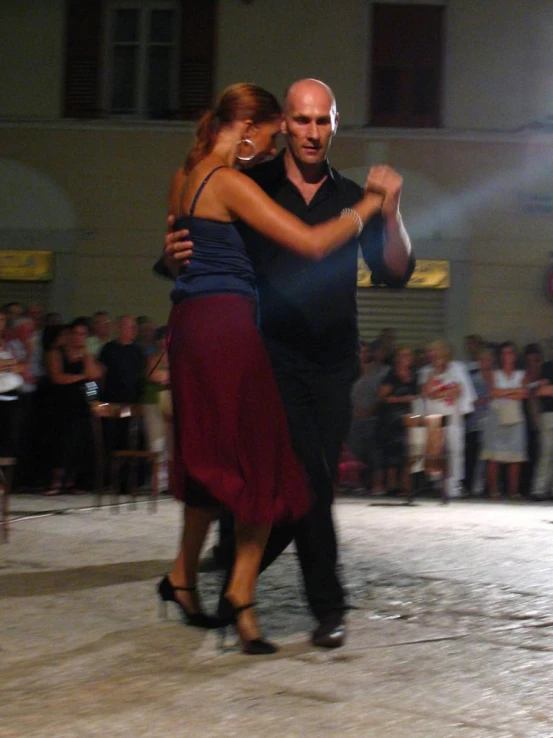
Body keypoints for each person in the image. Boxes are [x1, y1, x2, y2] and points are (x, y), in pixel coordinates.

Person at [160, 78, 414, 649]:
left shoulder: (348, 191)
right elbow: (192, 252)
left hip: (330, 359)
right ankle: (325, 605)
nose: (311, 132)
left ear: (335, 124)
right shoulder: (250, 182)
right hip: (264, 352)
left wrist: (389, 211)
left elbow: (395, 272)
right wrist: (175, 255)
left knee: (303, 477)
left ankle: (232, 578)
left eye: (322, 121)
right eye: (300, 120)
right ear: (284, 124)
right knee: (301, 478)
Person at [480, 341, 528, 500]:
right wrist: (513, 391)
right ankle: (493, 491)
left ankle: (513, 492)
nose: (507, 356)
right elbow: (493, 392)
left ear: (515, 355)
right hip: (497, 416)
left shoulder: (521, 374)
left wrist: (504, 392)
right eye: (504, 353)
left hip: (515, 417)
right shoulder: (494, 374)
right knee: (494, 456)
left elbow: (524, 394)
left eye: (510, 353)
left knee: (515, 457)